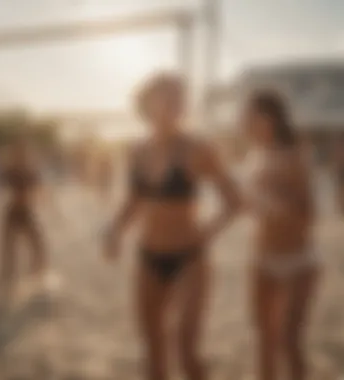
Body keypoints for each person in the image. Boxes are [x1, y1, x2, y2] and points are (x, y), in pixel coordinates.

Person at [102, 72, 241, 380]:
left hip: (189, 257)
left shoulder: (198, 148)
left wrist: (209, 231)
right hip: (148, 256)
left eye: (180, 96)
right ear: (148, 102)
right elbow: (134, 201)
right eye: (167, 95)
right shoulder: (136, 151)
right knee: (153, 352)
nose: (175, 103)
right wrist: (115, 231)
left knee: (187, 350)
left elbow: (235, 200)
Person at [242, 90, 319, 380]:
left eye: (249, 115)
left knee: (290, 342)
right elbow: (252, 206)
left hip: (297, 259)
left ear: (269, 117)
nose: (243, 121)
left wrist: (272, 205)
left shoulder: (295, 154)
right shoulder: (254, 155)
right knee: (264, 341)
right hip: (261, 257)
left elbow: (308, 216)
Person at [0, 138, 47, 298]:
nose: (22, 155)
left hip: (25, 212)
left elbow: (41, 187)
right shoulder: (12, 170)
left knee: (37, 245)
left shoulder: (28, 171)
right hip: (14, 212)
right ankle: (7, 280)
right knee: (10, 249)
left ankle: (36, 274)